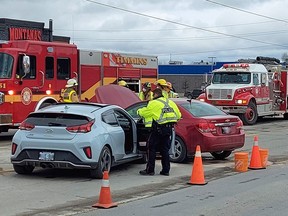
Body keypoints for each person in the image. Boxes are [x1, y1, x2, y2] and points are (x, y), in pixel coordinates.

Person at [137, 88, 181, 176]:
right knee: (165, 150)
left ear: (155, 95)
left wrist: (138, 111)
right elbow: (179, 115)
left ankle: (150, 170)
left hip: (157, 130)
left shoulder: (154, 103)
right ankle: (166, 170)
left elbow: (145, 113)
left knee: (151, 149)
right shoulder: (170, 103)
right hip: (168, 130)